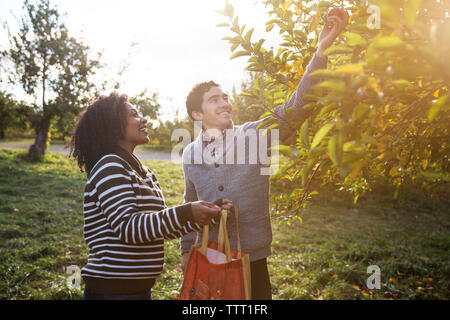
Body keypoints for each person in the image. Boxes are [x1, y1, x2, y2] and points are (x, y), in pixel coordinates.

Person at [180, 9, 348, 300]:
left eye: (226, 97)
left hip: (253, 260)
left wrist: (321, 50)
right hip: (210, 257)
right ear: (197, 113)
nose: (225, 103)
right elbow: (188, 204)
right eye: (214, 100)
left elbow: (297, 107)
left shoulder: (254, 134)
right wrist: (185, 252)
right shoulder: (190, 154)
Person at [67, 92, 232, 300]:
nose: (143, 119)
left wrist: (204, 215)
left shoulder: (143, 172)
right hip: (111, 292)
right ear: (112, 124)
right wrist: (186, 211)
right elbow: (130, 228)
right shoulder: (109, 166)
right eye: (134, 114)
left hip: (138, 291)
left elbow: (156, 228)